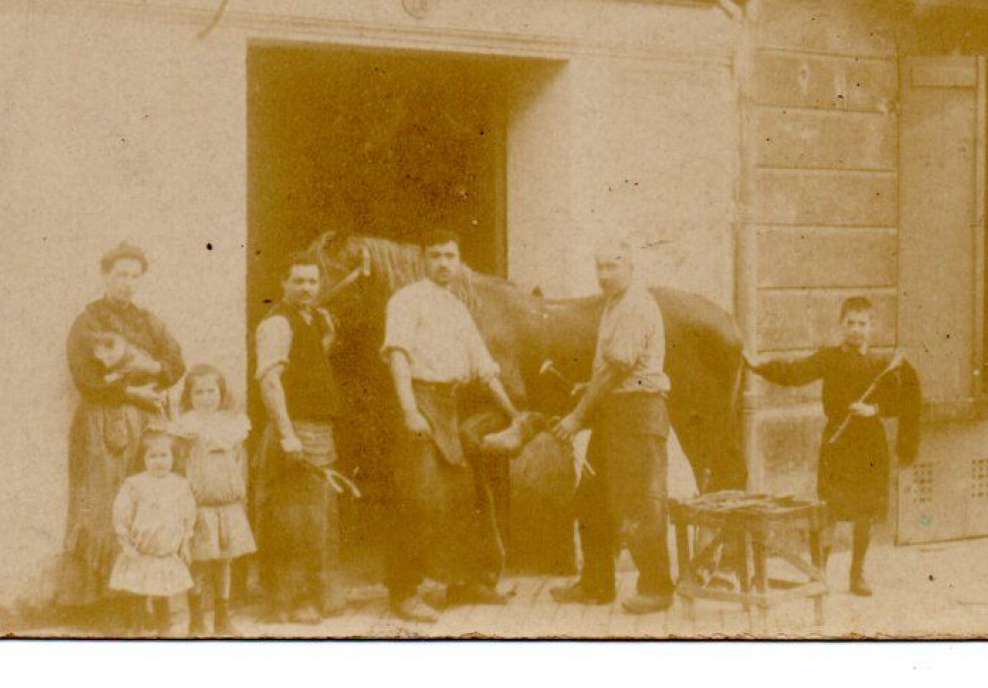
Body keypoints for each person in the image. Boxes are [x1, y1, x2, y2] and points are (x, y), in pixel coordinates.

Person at [381, 229, 525, 624]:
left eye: (450, 256)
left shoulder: (458, 307)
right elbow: (398, 358)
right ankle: (403, 592)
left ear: (458, 261)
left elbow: (484, 367)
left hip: (452, 405)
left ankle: (465, 583)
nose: (444, 264)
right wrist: (410, 411)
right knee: (419, 498)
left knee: (463, 497)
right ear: (422, 261)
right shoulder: (406, 300)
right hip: (419, 400)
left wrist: (514, 415)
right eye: (436, 256)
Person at [745, 296, 920, 597]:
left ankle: (857, 576)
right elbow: (795, 372)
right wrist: (760, 367)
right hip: (837, 445)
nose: (856, 330)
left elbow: (903, 401)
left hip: (870, 446)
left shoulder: (882, 365)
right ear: (841, 325)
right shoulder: (829, 358)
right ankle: (820, 574)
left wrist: (874, 410)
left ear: (872, 327)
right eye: (850, 323)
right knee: (830, 510)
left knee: (865, 512)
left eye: (862, 324)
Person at [56, 243, 186, 619]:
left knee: (144, 506)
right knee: (105, 506)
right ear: (106, 276)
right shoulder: (89, 321)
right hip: (102, 425)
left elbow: (175, 363)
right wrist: (132, 391)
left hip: (145, 426)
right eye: (120, 275)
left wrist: (147, 373)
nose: (127, 283)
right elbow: (86, 378)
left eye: (134, 276)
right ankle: (99, 603)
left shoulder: (149, 321)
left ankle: (139, 599)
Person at [549, 240, 676, 614]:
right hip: (615, 413)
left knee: (640, 504)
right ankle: (595, 584)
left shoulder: (635, 305)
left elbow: (616, 368)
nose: (604, 275)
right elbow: (608, 373)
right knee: (590, 500)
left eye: (613, 267)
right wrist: (587, 392)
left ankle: (656, 588)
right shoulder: (614, 304)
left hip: (638, 415)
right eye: (599, 267)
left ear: (631, 267)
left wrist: (575, 417)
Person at [252, 252, 346, 625]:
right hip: (295, 431)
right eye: (298, 281)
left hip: (319, 431)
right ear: (284, 283)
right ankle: (288, 602)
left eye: (312, 281)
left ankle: (314, 595)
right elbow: (270, 381)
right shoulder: (277, 323)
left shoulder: (312, 320)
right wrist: (288, 434)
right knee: (293, 521)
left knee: (317, 520)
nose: (306, 288)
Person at [174, 364, 256, 636]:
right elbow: (181, 463)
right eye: (199, 392)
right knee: (199, 563)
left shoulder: (233, 425)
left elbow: (239, 460)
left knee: (224, 562)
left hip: (227, 504)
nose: (206, 397)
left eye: (211, 391)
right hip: (200, 506)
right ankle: (196, 620)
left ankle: (222, 617)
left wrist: (240, 490)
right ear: (190, 395)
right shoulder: (187, 427)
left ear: (221, 393)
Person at [110, 429, 198, 636]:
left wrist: (185, 543)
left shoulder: (180, 485)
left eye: (164, 455)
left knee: (162, 591)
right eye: (152, 456)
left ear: (173, 457)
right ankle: (136, 627)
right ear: (143, 459)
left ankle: (163, 628)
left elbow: (188, 516)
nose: (159, 461)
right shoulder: (135, 484)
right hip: (140, 552)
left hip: (165, 552)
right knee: (138, 591)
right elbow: (121, 515)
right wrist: (127, 545)